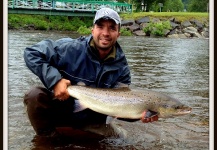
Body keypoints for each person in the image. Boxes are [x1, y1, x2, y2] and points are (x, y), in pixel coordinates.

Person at [23, 7, 158, 139]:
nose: (106, 33)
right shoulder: (68, 48)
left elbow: (121, 109)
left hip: (93, 121)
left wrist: (140, 114)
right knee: (35, 95)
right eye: (100, 26)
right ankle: (47, 139)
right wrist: (55, 81)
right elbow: (31, 53)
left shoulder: (122, 69)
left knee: (123, 140)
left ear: (118, 34)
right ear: (92, 30)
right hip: (61, 111)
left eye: (112, 28)